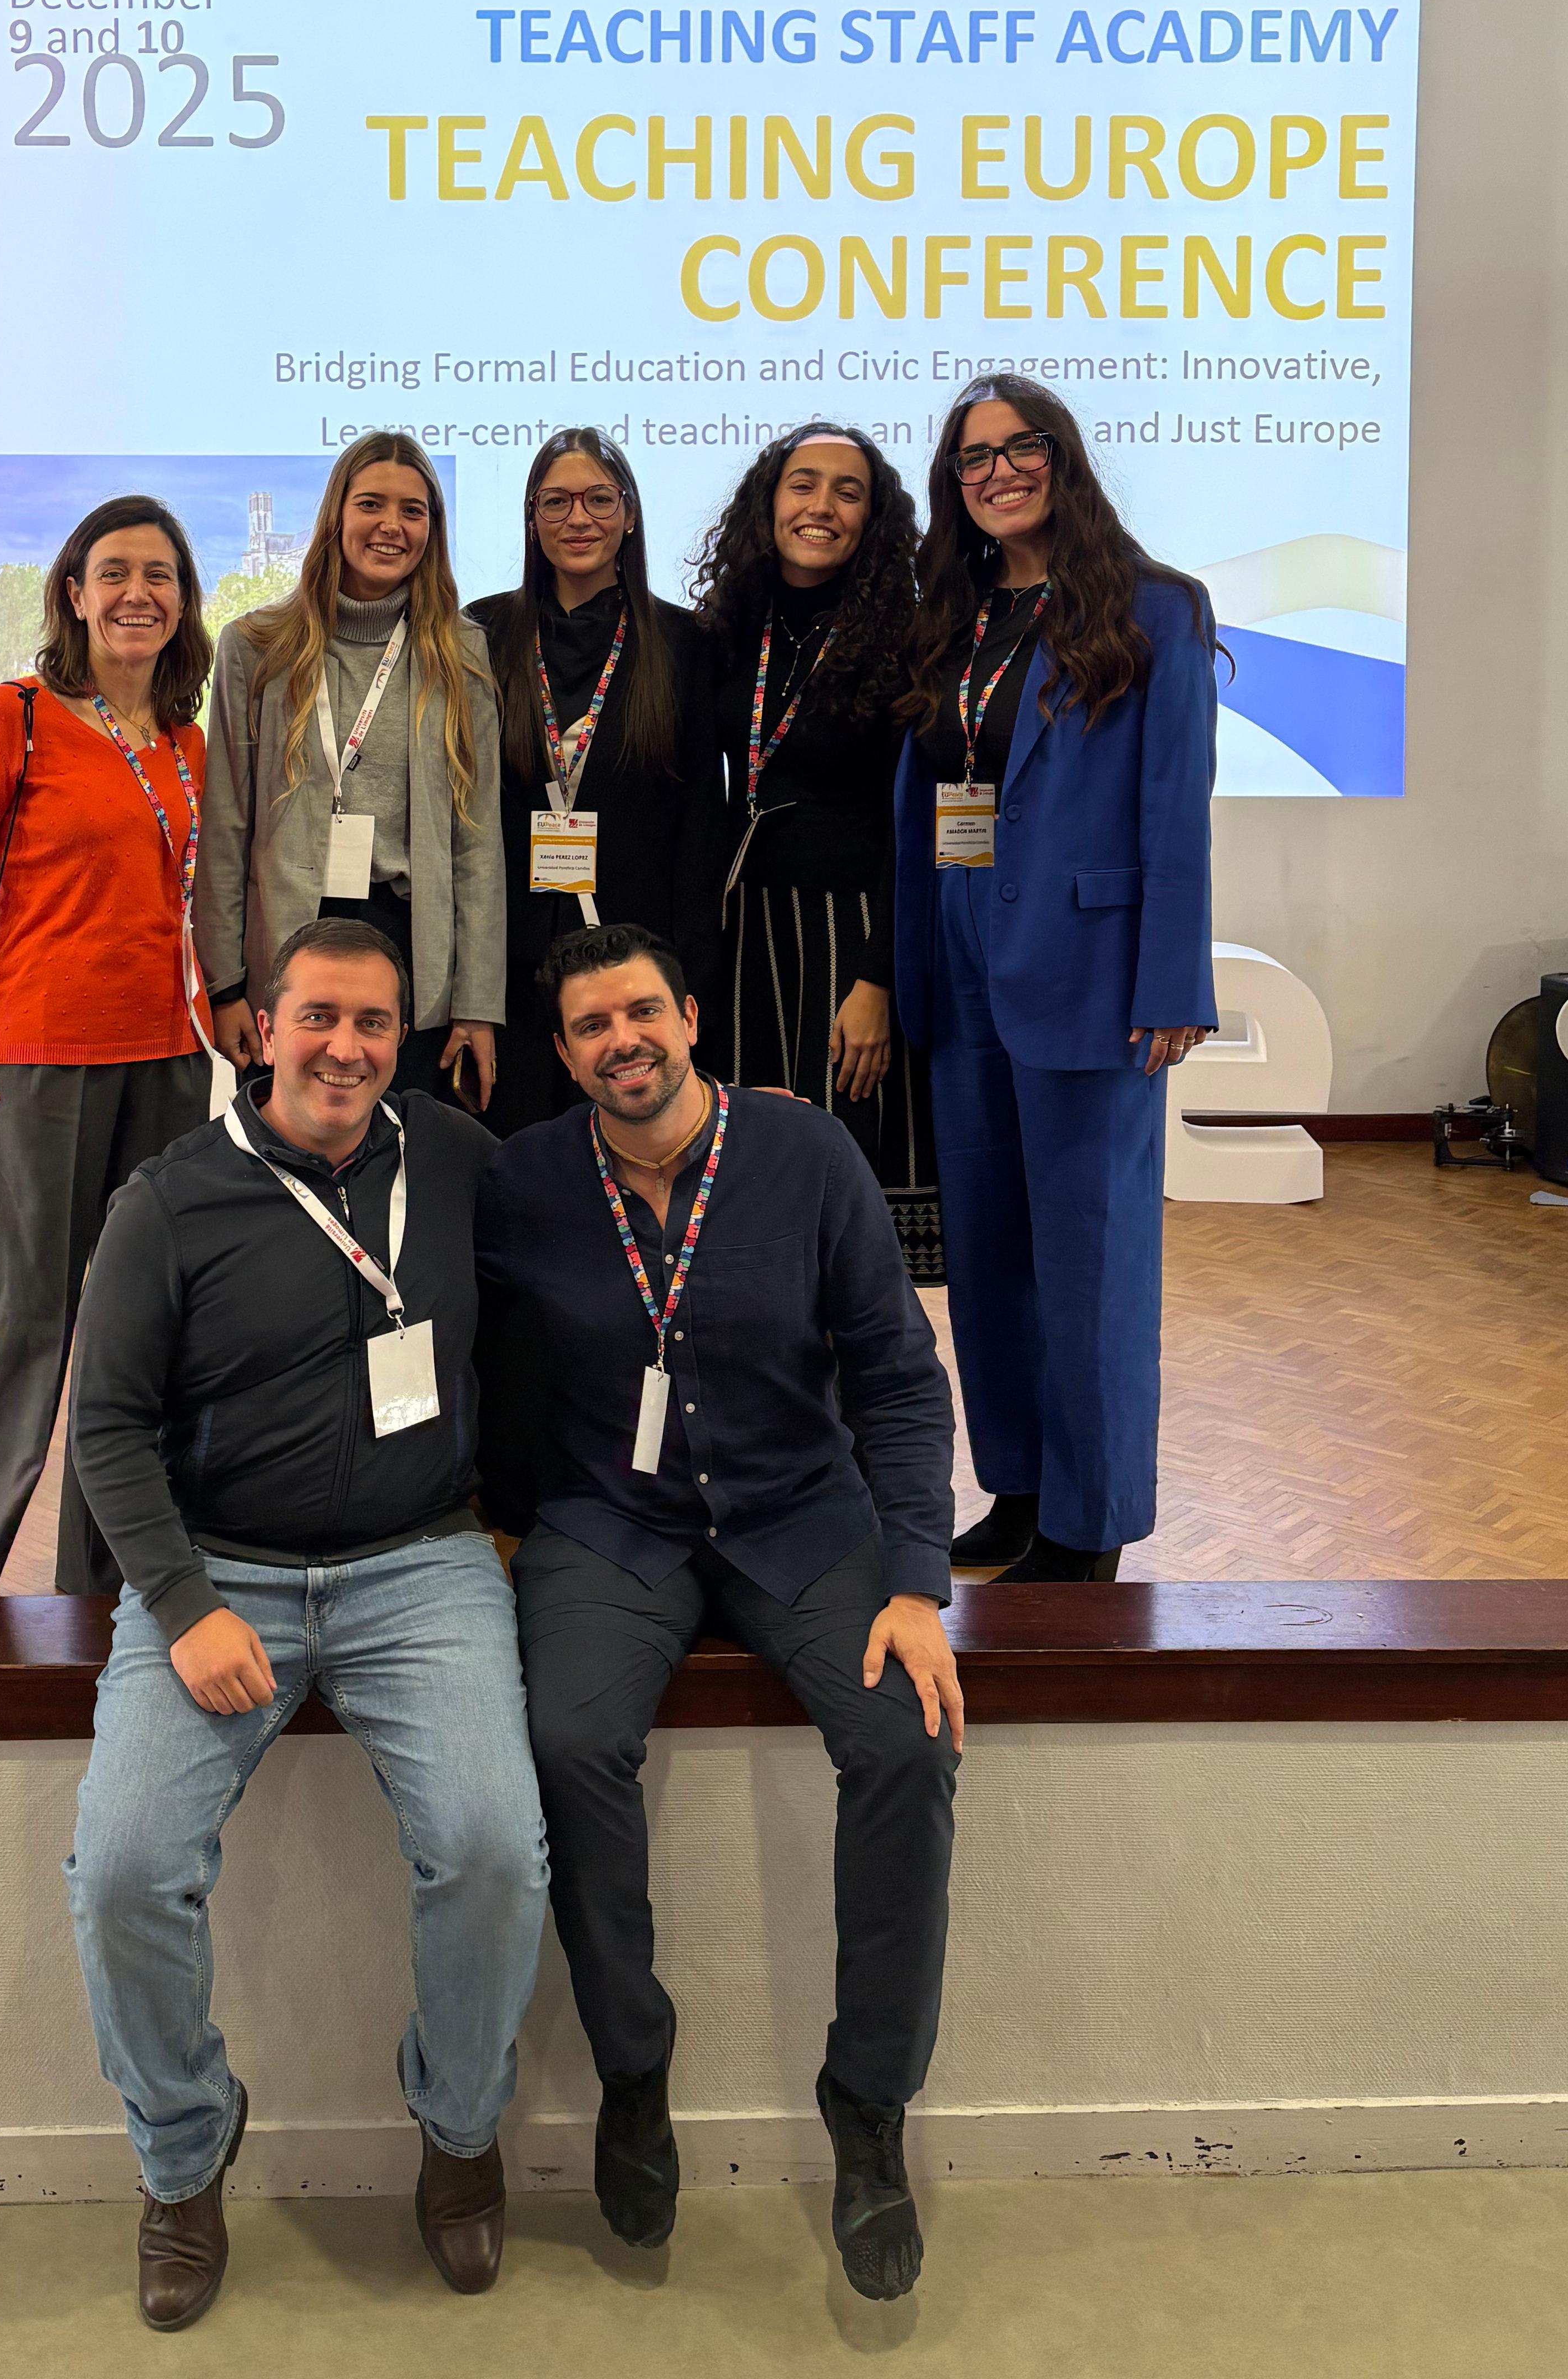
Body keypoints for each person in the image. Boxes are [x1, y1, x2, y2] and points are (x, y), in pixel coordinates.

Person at [64, 918, 546, 2328]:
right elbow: (106, 1425)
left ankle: (460, 2135)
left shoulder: (455, 1159)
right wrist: (183, 1602)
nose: (347, 1049)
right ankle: (181, 2158)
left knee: (492, 1851)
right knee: (124, 1870)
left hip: (423, 1566)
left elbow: (565, 1268)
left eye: (375, 1024)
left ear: (405, 1038)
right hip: (221, 1577)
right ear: (258, 1028)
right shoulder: (171, 1201)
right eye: (320, 1018)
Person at [475, 920, 962, 2307]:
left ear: (690, 1017)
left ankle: (869, 2112)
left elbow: (899, 1377)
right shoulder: (521, 1185)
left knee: (907, 1740)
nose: (620, 1042)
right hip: (610, 1529)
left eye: (641, 1012)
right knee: (565, 1743)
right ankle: (636, 2072)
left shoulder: (806, 1157)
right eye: (587, 1027)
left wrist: (920, 1583)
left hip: (801, 1518)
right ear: (564, 1055)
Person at [893, 375, 1218, 1585]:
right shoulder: (957, 617)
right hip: (963, 951)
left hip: (1090, 968)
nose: (997, 472)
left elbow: (1175, 805)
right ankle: (1019, 1490)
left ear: (1061, 457)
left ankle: (1089, 1526)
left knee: (1091, 1262)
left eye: (1018, 448)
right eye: (972, 460)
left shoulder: (1153, 610)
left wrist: (1172, 979)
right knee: (985, 1257)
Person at [0, 495, 216, 1597]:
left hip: (171, 1068)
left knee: (140, 1332)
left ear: (183, 605)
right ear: (74, 595)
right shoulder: (16, 716)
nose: (138, 594)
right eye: (115, 573)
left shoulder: (187, 743)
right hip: (41, 1065)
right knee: (19, 1326)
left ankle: (107, 1587)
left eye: (161, 576)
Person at [199, 432, 504, 1112]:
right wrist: (224, 988)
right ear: (336, 516)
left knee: (404, 1160)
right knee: (294, 1161)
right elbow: (226, 829)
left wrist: (478, 1003)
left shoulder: (461, 652)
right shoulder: (257, 648)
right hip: (287, 944)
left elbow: (477, 843)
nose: (392, 526)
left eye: (414, 511)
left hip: (412, 951)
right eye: (372, 504)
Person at [694, 422, 939, 1256]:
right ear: (770, 502)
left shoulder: (910, 640)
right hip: (741, 935)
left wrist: (880, 981)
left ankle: (853, 1377)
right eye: (803, 485)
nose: (822, 506)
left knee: (842, 1167)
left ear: (874, 518)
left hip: (850, 938)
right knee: (745, 1164)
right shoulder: (734, 625)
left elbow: (920, 825)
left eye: (848, 490)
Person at [470, 426, 721, 1135]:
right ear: (531, 519)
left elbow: (703, 818)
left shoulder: (682, 642)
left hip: (635, 967)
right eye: (555, 503)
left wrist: (686, 976)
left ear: (631, 513)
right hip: (510, 964)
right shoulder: (480, 634)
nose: (578, 519)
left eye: (599, 500)